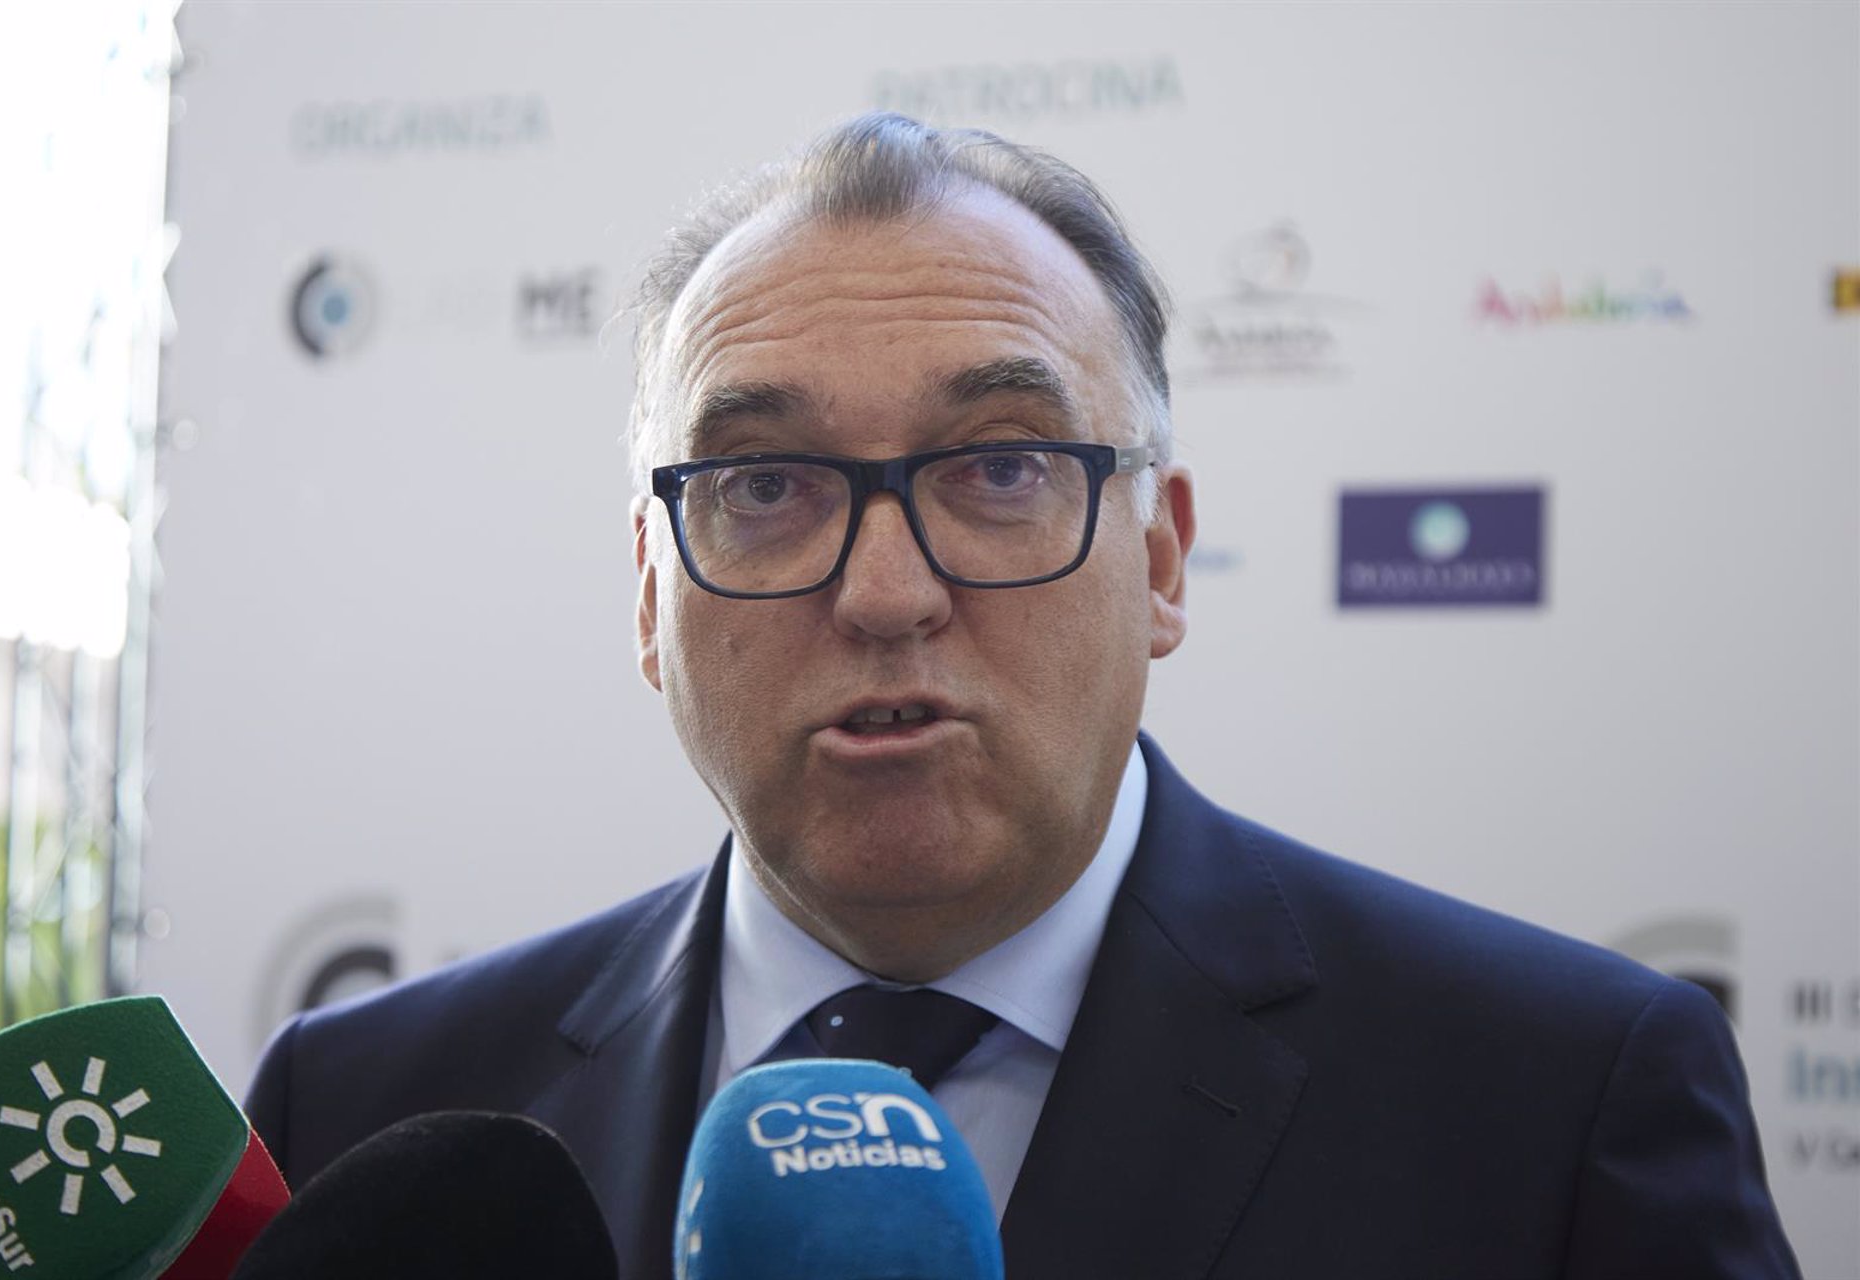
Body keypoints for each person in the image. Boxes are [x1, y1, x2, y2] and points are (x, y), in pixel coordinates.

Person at [246, 113, 1799, 1278]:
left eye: (1000, 469)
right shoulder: (362, 1112)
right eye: (765, 484)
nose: (885, 593)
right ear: (653, 595)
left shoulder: (1556, 1105)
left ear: (1162, 560)